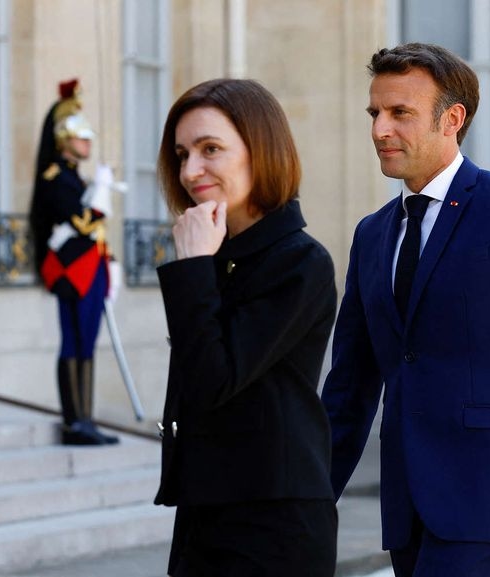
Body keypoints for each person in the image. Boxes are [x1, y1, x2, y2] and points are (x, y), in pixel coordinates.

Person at [321, 42, 490, 576]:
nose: (380, 129)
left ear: (452, 119)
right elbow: (349, 386)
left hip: (488, 494)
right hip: (406, 501)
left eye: (400, 112)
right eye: (375, 113)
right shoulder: (372, 233)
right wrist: (310, 494)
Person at [154, 78, 338, 577]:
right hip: (205, 514)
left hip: (272, 524)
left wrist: (193, 267)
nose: (190, 170)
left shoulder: (300, 262)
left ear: (261, 150)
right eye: (182, 154)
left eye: (210, 149)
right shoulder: (217, 258)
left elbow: (213, 379)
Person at [29, 78, 120, 446]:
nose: (88, 144)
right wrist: (101, 192)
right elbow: (83, 223)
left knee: (87, 342)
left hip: (88, 267)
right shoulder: (57, 177)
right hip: (72, 271)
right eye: (82, 138)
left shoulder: (73, 177)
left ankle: (85, 417)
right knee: (75, 340)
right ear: (64, 138)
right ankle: (74, 421)